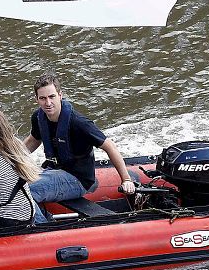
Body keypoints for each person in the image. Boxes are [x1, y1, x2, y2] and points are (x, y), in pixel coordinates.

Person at [22, 73, 135, 223]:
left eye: (52, 97)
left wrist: (126, 179)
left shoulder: (78, 123)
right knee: (15, 182)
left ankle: (42, 229)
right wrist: (11, 158)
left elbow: (109, 146)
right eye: (42, 98)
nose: (48, 103)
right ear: (36, 99)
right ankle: (44, 217)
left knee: (24, 191)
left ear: (60, 95)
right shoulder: (38, 117)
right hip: (54, 170)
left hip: (77, 179)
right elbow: (33, 140)